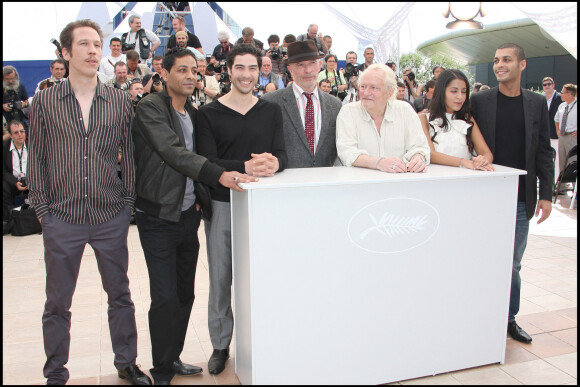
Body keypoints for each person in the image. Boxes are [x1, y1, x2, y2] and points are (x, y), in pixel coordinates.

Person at [27, 19, 151, 385]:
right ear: (65, 53)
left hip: (109, 213)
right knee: (57, 303)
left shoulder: (117, 100)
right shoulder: (46, 100)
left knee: (120, 295)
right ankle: (55, 372)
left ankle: (126, 362)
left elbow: (127, 155)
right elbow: (37, 158)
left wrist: (128, 202)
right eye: (83, 44)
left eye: (97, 44)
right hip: (62, 217)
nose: (93, 50)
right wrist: (43, 211)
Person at [131, 47, 257, 385]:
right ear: (164, 72)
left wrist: (200, 196)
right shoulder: (150, 108)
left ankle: (172, 358)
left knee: (185, 294)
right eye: (182, 70)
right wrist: (217, 176)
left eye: (194, 71)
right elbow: (173, 152)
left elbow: (199, 155)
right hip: (158, 216)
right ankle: (160, 371)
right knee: (165, 298)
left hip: (188, 215)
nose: (190, 76)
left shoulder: (193, 111)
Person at [196, 43, 287, 376]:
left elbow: (281, 155)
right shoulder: (208, 113)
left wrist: (274, 163)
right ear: (229, 70)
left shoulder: (270, 111)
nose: (247, 75)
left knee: (264, 278)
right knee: (221, 279)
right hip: (222, 204)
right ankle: (221, 345)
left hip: (264, 207)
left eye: (253, 68)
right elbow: (208, 162)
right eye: (240, 68)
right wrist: (249, 165)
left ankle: (263, 339)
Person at [471, 43, 553, 344]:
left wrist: (547, 194)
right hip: (485, 198)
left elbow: (544, 149)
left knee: (513, 264)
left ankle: (508, 318)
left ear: (522, 65)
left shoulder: (535, 103)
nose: (499, 65)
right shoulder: (479, 101)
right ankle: (479, 314)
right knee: (480, 259)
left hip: (521, 199)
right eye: (495, 60)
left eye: (506, 60)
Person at [262, 40, 342, 168]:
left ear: (320, 65)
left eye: (312, 63)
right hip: (286, 183)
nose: (308, 70)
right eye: (300, 65)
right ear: (290, 69)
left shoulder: (335, 105)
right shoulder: (271, 102)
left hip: (325, 182)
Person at [336, 63, 429, 173]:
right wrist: (379, 163)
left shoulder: (405, 110)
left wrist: (418, 158)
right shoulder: (348, 112)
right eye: (363, 86)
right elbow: (347, 152)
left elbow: (420, 146)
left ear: (390, 92)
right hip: (359, 185)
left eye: (374, 88)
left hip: (399, 184)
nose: (366, 93)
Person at [419, 69, 494, 171]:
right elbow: (430, 154)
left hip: (467, 180)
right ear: (441, 91)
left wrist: (483, 160)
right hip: (435, 180)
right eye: (454, 91)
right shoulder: (424, 119)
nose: (460, 97)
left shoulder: (467, 119)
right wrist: (462, 162)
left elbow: (486, 153)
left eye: (464, 92)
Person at [3, 120, 28, 222]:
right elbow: (3, 171)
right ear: (10, 135)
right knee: (4, 186)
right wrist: (14, 182)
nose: (20, 135)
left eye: (22, 131)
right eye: (16, 132)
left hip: (31, 180)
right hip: (13, 182)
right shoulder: (4, 148)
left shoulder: (33, 145)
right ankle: (7, 219)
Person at [555, 83, 577, 174]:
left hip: (572, 137)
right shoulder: (562, 106)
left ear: (569, 94)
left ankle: (573, 185)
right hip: (562, 137)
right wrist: (558, 131)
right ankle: (563, 186)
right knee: (562, 163)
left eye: (562, 92)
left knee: (572, 162)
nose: (560, 94)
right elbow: (556, 119)